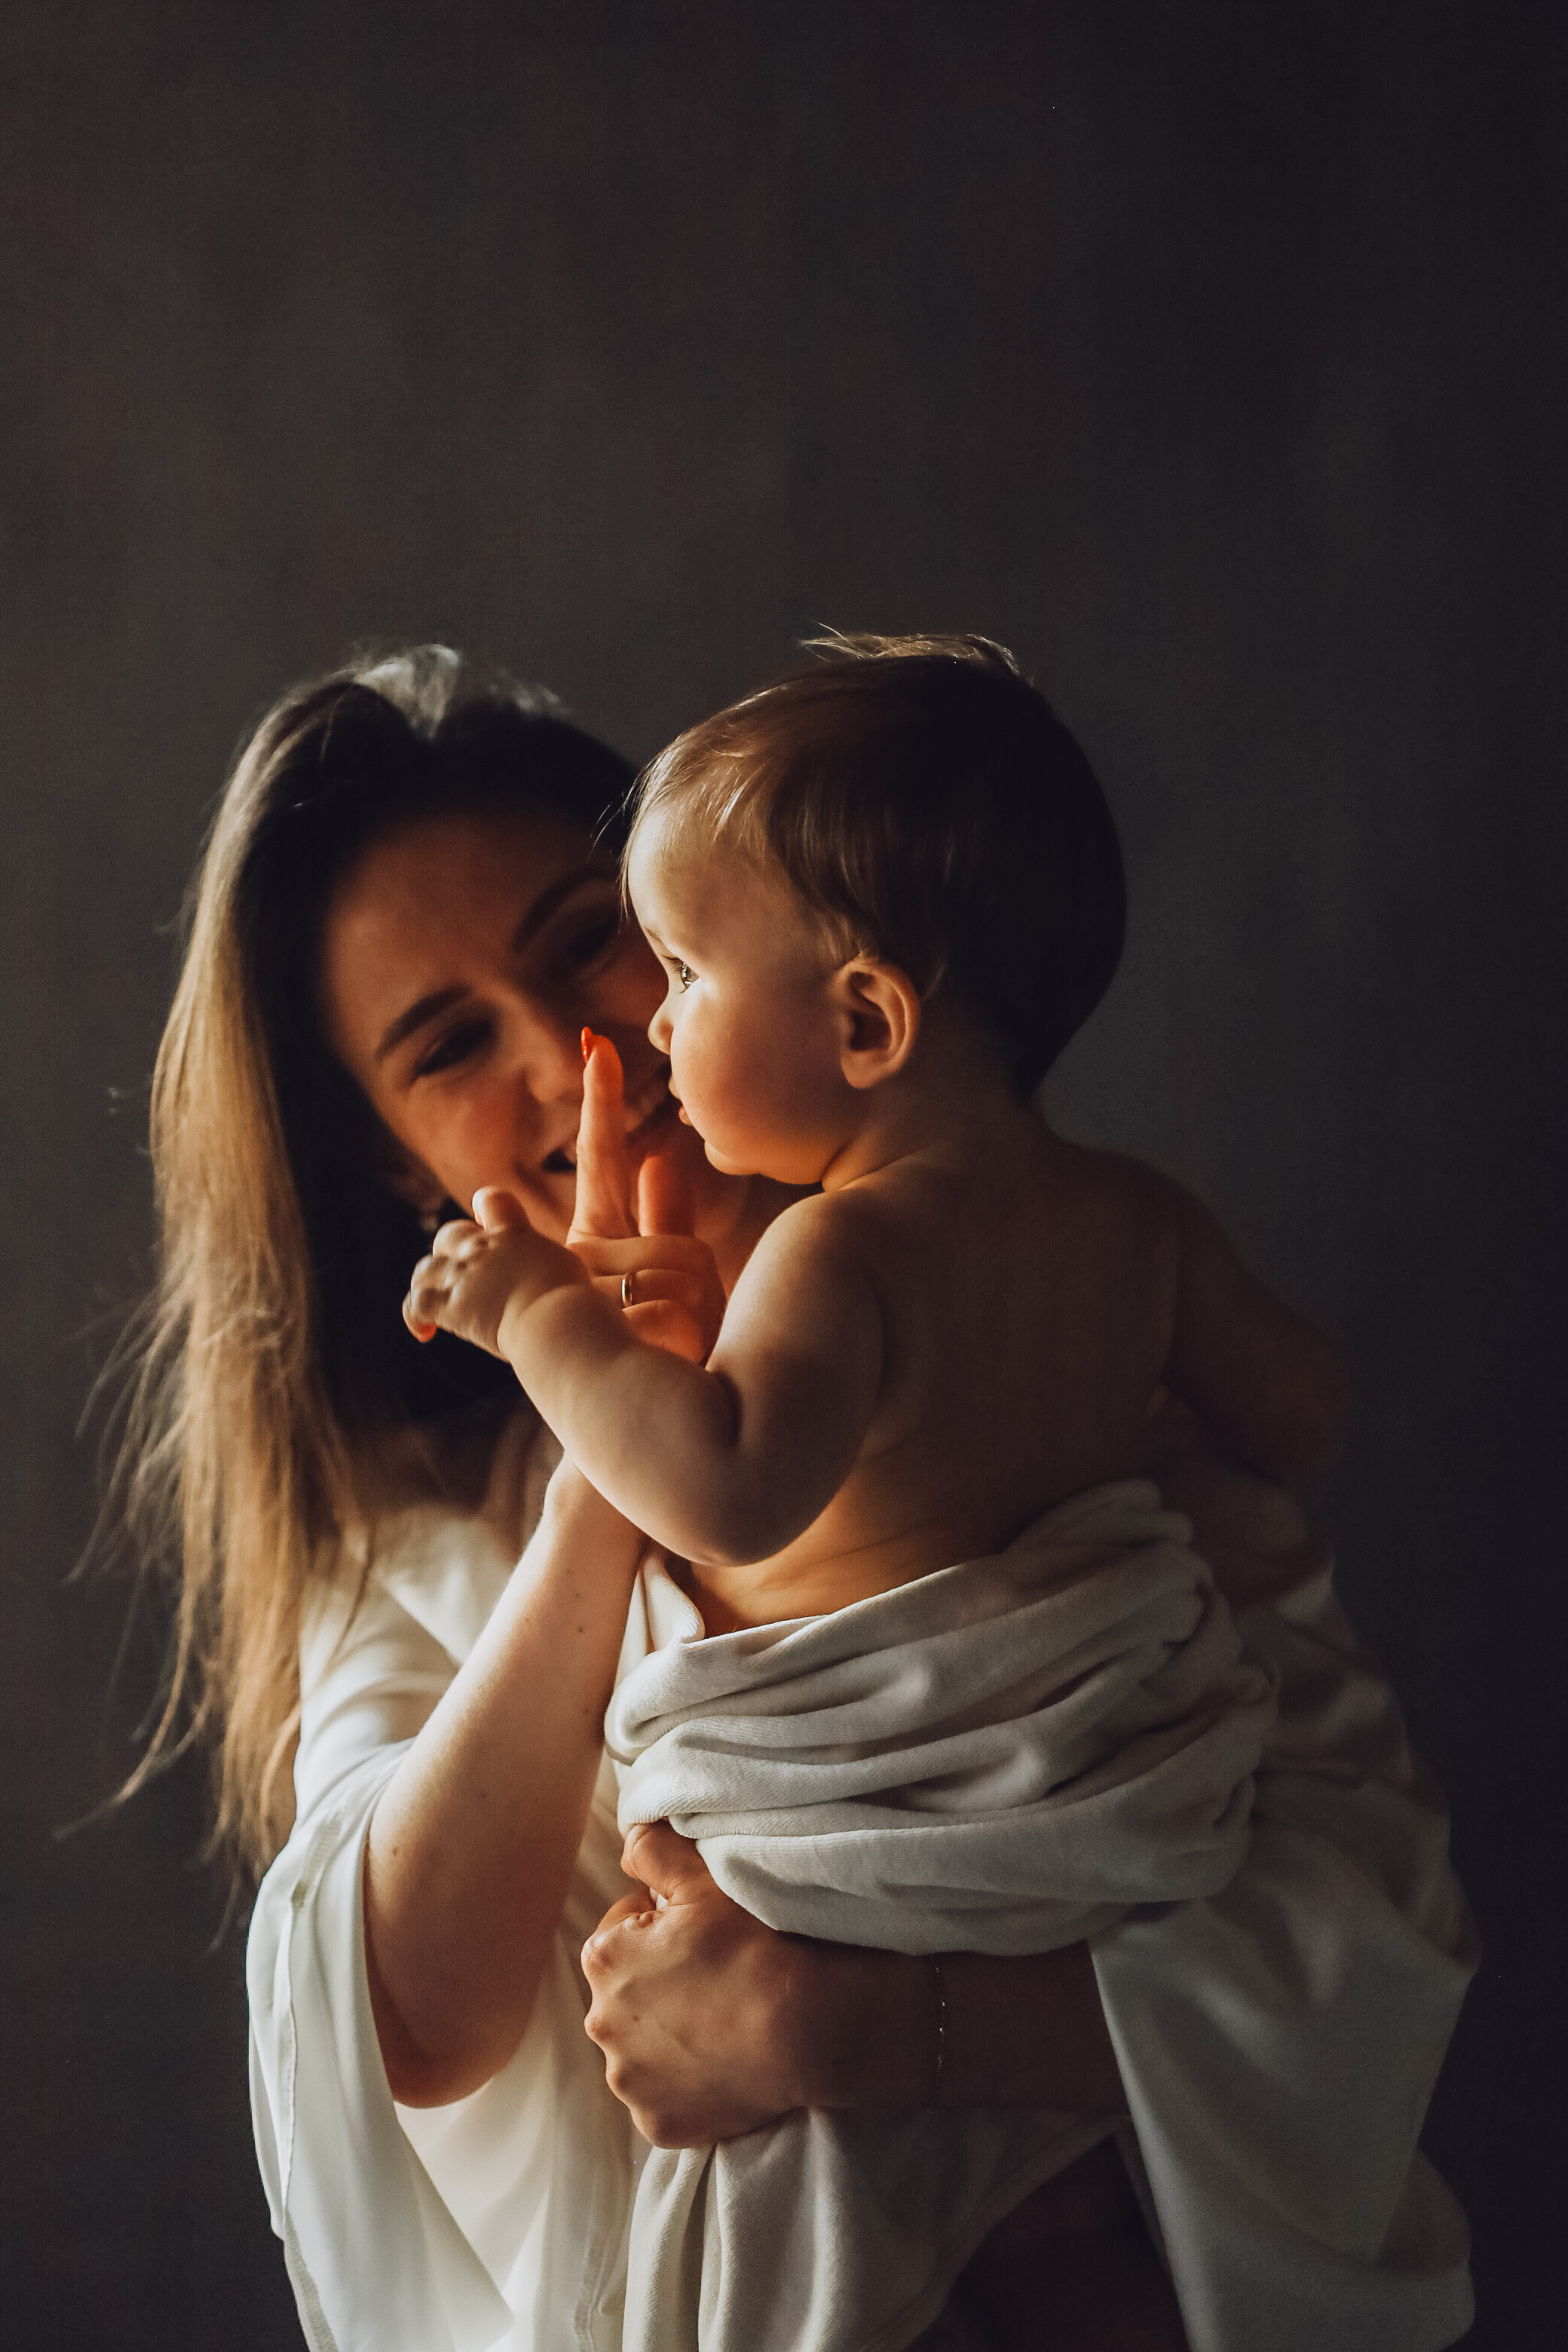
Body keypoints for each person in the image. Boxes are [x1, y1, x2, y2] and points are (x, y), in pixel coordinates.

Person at [120, 644, 1477, 2352]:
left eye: (597, 944)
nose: (573, 1048)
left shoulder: (1063, 1394)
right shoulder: (412, 1552)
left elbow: (1362, 1937)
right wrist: (608, 1449)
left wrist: (852, 2032)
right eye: (451, 1044)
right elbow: (404, 2024)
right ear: (400, 1165)